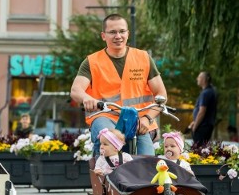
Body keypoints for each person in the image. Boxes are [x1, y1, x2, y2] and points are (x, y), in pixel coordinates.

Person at [70, 13, 167, 157]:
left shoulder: (143, 58)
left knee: (147, 161)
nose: (118, 36)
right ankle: (103, 171)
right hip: (105, 116)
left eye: (122, 31)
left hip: (138, 120)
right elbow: (76, 90)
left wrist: (147, 118)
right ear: (103, 36)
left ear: (128, 33)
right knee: (110, 139)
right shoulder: (92, 61)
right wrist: (86, 98)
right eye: (112, 32)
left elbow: (161, 94)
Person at [189, 71, 217, 146]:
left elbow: (202, 111)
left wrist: (195, 126)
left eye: (199, 77)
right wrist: (194, 121)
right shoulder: (210, 91)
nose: (197, 79)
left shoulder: (206, 93)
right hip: (206, 125)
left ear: (204, 80)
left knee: (198, 149)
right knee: (202, 149)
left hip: (203, 126)